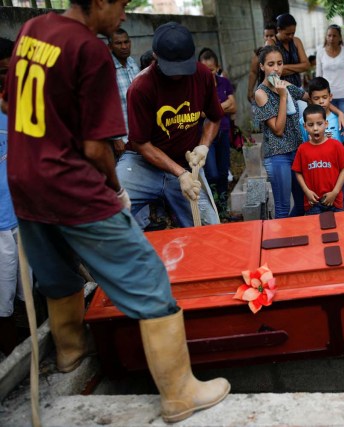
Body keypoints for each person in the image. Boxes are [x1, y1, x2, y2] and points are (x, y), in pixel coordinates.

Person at [0, 2, 229, 423]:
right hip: (74, 184)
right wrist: (116, 191)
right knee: (148, 275)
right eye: (121, 4)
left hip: (25, 178)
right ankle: (179, 393)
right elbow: (96, 148)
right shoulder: (90, 50)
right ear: (100, 1)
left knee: (57, 274)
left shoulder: (33, 28)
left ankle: (69, 354)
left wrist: (199, 150)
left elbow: (7, 104)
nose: (123, 15)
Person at [117, 22, 222, 228]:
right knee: (110, 213)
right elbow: (141, 144)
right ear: (155, 56)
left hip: (186, 162)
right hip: (142, 165)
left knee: (211, 228)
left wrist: (203, 145)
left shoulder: (202, 76)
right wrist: (179, 173)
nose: (178, 74)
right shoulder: (141, 87)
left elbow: (214, 117)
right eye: (172, 68)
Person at [253, 45, 306, 219]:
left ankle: (292, 238)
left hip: (297, 152)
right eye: (270, 64)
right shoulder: (261, 93)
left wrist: (339, 113)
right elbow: (277, 128)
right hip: (278, 156)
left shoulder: (287, 85)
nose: (276, 68)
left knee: (302, 205)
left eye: (279, 63)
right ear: (262, 67)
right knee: (283, 209)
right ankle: (281, 243)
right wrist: (283, 96)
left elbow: (312, 97)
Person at [0, 37, 24, 357]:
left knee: (25, 289)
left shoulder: (22, 104)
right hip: (1, 223)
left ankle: (24, 344)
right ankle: (10, 356)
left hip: (25, 214)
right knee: (2, 296)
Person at [300, 77, 344, 209]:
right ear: (310, 100)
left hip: (338, 173)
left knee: (342, 205)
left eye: (324, 97)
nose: (321, 101)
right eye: (316, 98)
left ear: (331, 96)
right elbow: (304, 146)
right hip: (316, 174)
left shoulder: (338, 118)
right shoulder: (303, 122)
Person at [292, 105, 344, 215]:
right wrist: (307, 192)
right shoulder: (302, 149)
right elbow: (298, 172)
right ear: (305, 126)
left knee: (339, 229)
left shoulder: (336, 145)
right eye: (310, 125)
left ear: (326, 124)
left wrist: (335, 192)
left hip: (335, 201)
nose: (315, 128)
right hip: (313, 202)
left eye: (319, 124)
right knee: (314, 230)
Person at [199, 48, 236, 218]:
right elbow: (200, 114)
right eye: (204, 70)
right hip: (207, 137)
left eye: (212, 70)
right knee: (211, 173)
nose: (208, 73)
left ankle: (222, 208)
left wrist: (213, 110)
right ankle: (211, 207)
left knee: (222, 172)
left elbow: (234, 107)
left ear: (217, 68)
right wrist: (224, 105)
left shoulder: (224, 83)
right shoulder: (197, 88)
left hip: (224, 133)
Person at [108, 28, 140, 157]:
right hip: (121, 140)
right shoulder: (106, 68)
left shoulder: (132, 63)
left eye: (126, 42)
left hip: (139, 137)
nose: (124, 46)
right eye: (118, 43)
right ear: (110, 46)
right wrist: (116, 138)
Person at [316, 24, 344, 123]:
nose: (331, 38)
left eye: (334, 35)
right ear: (326, 37)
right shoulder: (320, 52)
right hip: (326, 96)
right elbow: (318, 76)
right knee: (329, 126)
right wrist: (318, 96)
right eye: (329, 35)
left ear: (340, 37)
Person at [273, 13, 310, 88]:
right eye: (287, 34)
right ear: (278, 30)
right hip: (280, 92)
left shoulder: (296, 41)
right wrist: (298, 68)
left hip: (298, 88)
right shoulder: (271, 43)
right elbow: (274, 72)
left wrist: (285, 67)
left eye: (293, 33)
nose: (291, 36)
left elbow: (306, 65)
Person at [247, 23, 277, 103]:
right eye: (266, 36)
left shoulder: (280, 52)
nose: (268, 38)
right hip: (264, 93)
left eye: (271, 35)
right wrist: (250, 91)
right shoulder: (259, 53)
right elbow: (253, 72)